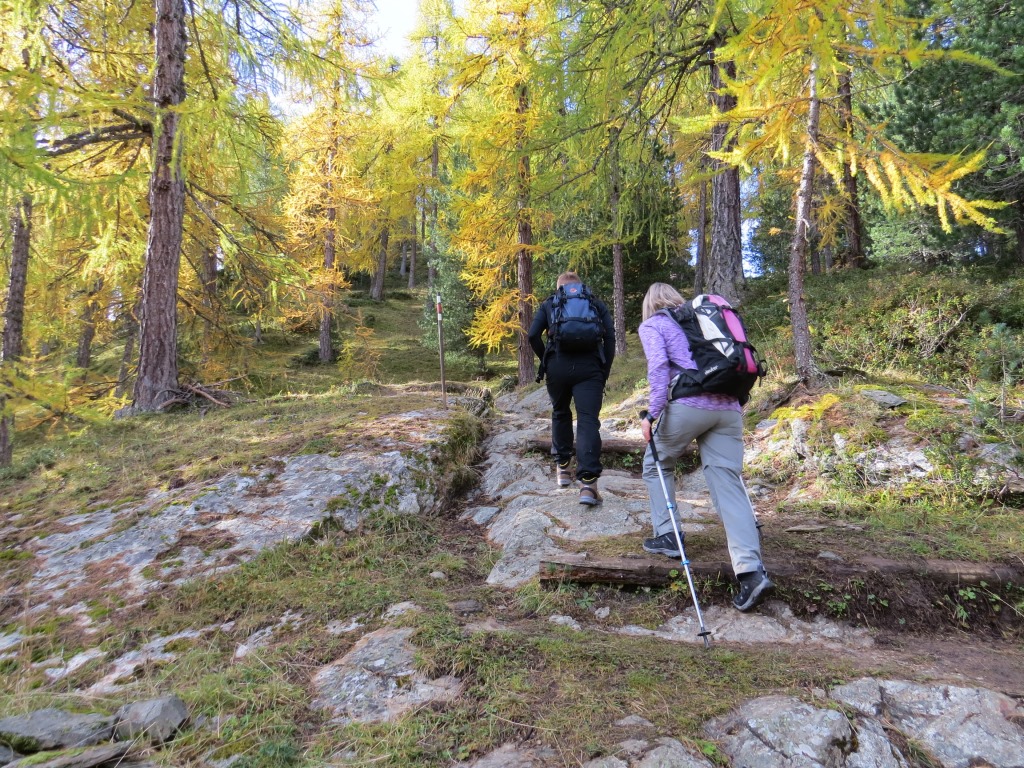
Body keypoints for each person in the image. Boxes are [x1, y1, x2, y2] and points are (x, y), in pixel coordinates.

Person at [637, 282, 773, 612]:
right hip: (728, 407)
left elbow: (658, 367)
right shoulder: (705, 319)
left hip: (689, 405)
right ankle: (751, 573)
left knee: (656, 464)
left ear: (649, 305)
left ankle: (668, 534)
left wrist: (652, 413)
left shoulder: (654, 324)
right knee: (728, 483)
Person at [528, 271, 616, 506]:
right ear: (580, 286)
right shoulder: (595, 303)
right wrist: (604, 370)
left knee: (560, 412)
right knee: (587, 420)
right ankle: (588, 486)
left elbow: (533, 335)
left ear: (559, 288)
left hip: (557, 366)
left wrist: (546, 359)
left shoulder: (550, 303)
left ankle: (563, 470)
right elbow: (610, 339)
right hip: (590, 368)